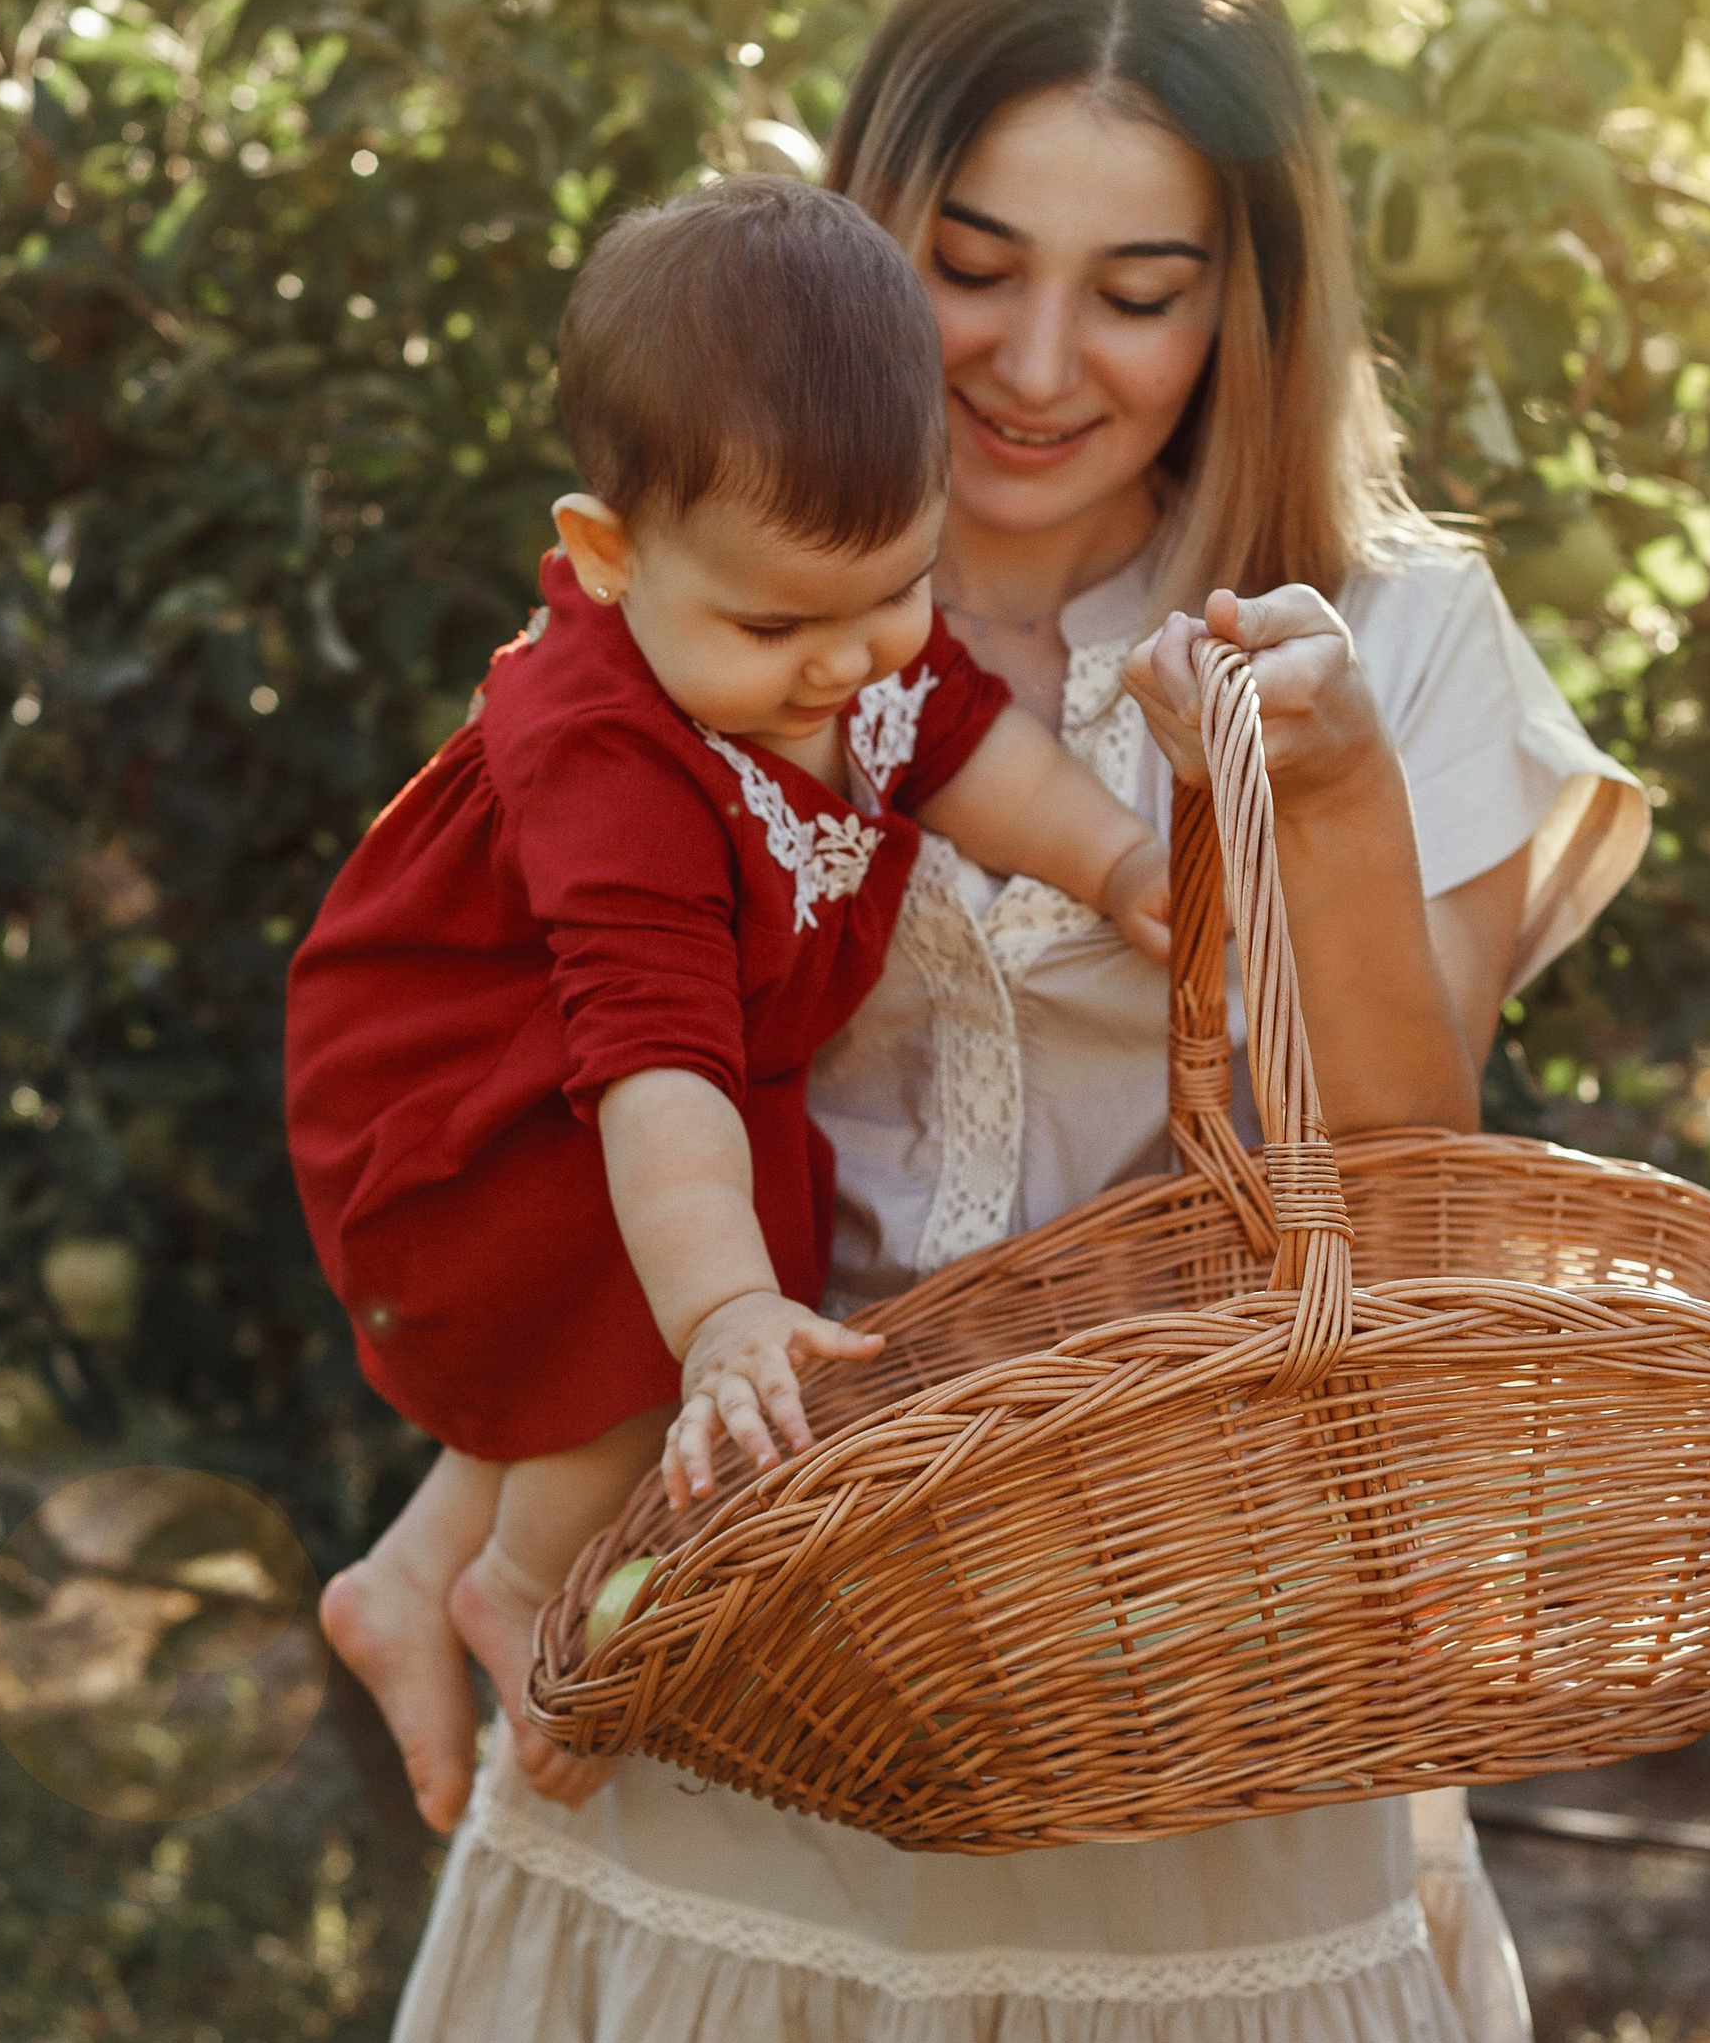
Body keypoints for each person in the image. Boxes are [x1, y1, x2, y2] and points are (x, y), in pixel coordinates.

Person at [292, 0, 1647, 2043]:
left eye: (1139, 291)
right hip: (799, 1722)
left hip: (1201, 1747)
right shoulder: (729, 594)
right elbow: (594, 1104)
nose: (1039, 364)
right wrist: (476, 1507)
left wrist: (1303, 805)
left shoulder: (1393, 640)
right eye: (972, 268)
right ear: (857, 244)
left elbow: (1393, 1183)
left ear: (1247, 310)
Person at [293, 175, 1170, 1839]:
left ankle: (408, 1579)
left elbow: (967, 745)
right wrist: (720, 1322)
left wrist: (1123, 863)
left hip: (670, 1059)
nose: (848, 664)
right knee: (662, 1282)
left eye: (896, 591)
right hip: (483, 1075)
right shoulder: (613, 756)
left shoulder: (835, 634)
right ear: (608, 559)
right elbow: (653, 1069)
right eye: (779, 623)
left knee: (725, 1209)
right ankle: (526, 1589)